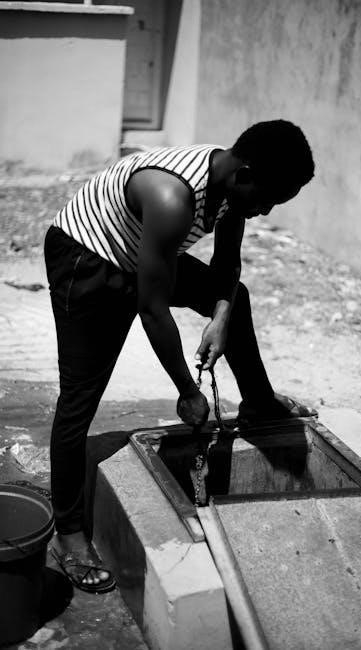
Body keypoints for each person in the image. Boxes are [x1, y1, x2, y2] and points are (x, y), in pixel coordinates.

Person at [45, 119, 316, 592]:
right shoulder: (173, 198)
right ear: (246, 174)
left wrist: (221, 317)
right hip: (89, 260)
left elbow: (227, 264)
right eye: (268, 199)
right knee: (79, 399)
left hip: (142, 251)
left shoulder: (232, 183)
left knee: (236, 298)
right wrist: (188, 391)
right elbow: (151, 307)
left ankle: (258, 402)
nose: (266, 211)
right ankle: (69, 533)